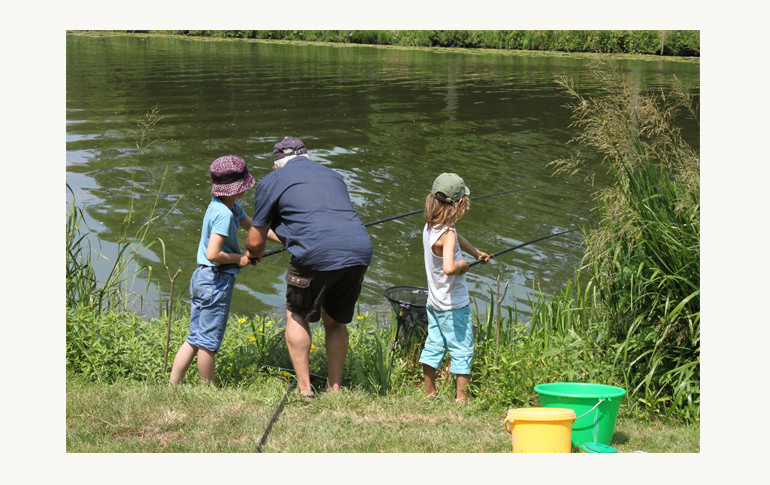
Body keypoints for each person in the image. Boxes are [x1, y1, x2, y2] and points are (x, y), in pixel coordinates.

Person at [245, 137, 373, 399]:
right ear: (308, 158)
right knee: (335, 321)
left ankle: (305, 390)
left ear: (277, 165)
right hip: (358, 249)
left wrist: (253, 255)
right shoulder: (333, 176)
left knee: (296, 314)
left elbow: (256, 238)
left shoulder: (271, 181)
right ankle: (334, 388)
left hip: (315, 252)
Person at [168, 155, 258, 385]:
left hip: (201, 277)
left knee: (195, 337)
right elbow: (213, 253)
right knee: (208, 342)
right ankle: (207, 390)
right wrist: (239, 259)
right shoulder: (224, 215)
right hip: (215, 281)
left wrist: (285, 239)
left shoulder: (226, 206)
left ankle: (172, 384)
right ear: (236, 188)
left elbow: (253, 227)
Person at [419, 172, 490, 402]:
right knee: (462, 348)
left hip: (435, 303)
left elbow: (457, 238)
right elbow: (449, 267)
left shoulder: (431, 228)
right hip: (454, 305)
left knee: (434, 345)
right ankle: (462, 398)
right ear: (459, 203)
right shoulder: (447, 234)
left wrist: (476, 253)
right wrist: (463, 265)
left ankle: (430, 392)